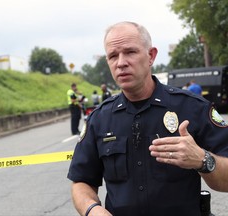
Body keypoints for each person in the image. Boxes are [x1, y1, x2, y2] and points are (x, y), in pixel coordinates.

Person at [67, 21, 228, 216]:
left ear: (151, 56)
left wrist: (203, 160)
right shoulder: (99, 119)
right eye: (113, 56)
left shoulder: (192, 108)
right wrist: (92, 209)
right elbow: (81, 181)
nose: (121, 62)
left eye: (130, 52)